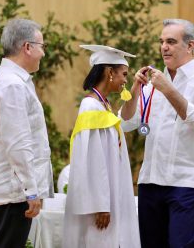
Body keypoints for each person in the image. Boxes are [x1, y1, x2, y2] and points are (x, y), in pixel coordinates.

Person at [120, 19, 194, 247]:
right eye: (162, 41)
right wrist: (135, 91)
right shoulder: (151, 83)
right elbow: (126, 122)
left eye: (171, 42)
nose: (164, 47)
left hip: (185, 181)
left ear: (190, 45)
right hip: (150, 179)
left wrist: (168, 89)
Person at [0, 18, 53, 247]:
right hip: (14, 191)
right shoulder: (12, 85)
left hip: (11, 188)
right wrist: (31, 190)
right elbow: (18, 143)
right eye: (42, 46)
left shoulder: (9, 80)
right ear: (27, 47)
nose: (43, 53)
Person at [62, 45, 141, 248]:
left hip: (108, 198)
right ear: (109, 72)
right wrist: (101, 205)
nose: (125, 80)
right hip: (99, 206)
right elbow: (92, 161)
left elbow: (125, 120)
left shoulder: (103, 105)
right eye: (124, 74)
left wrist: (136, 89)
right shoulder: (91, 107)